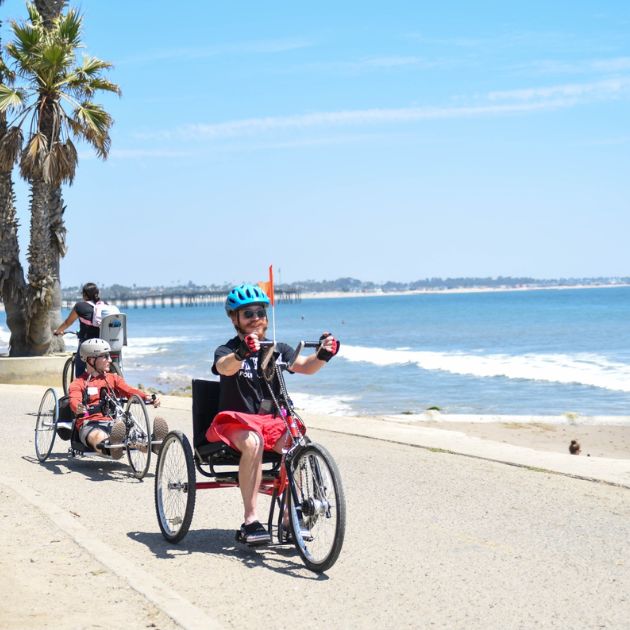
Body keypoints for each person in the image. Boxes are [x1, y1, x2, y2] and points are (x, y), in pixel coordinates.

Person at [208, 283, 340, 544]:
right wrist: (242, 353)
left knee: (296, 444)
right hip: (235, 422)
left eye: (260, 312)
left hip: (272, 421)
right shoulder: (228, 349)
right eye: (248, 314)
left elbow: (305, 366)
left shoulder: (279, 349)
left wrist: (323, 355)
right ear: (235, 318)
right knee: (253, 442)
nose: (256, 318)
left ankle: (292, 517)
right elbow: (224, 367)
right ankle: (251, 520)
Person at [68, 338, 168, 459]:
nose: (110, 360)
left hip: (114, 424)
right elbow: (74, 399)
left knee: (132, 436)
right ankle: (111, 447)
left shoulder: (113, 378)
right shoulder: (79, 383)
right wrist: (78, 407)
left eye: (109, 356)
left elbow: (129, 391)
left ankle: (153, 444)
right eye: (105, 356)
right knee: (98, 436)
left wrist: (147, 397)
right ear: (91, 359)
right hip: (89, 423)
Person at [54, 283, 113, 377]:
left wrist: (57, 331)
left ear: (84, 295)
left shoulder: (80, 306)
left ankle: (81, 389)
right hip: (104, 342)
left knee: (80, 365)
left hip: (87, 343)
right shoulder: (105, 305)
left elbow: (67, 323)